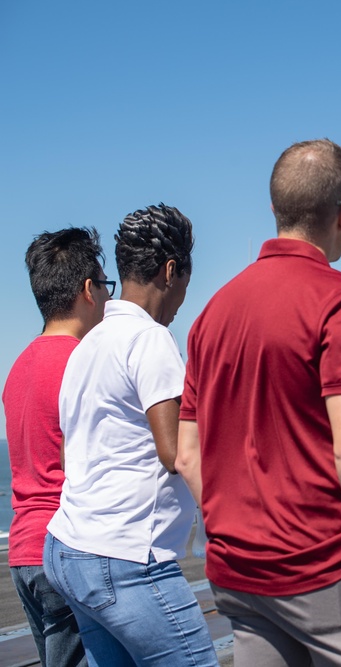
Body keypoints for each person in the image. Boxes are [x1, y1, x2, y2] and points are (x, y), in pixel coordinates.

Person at [177, 138, 341, 666]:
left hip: (239, 574)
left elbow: (188, 455)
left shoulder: (213, 313)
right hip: (325, 570)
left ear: (275, 210)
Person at [43, 205, 217, 666]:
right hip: (125, 558)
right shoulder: (150, 339)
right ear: (171, 270)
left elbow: (67, 454)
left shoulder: (88, 346)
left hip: (67, 548)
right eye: (184, 282)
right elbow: (175, 452)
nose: (182, 297)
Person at [4, 227, 110, 667]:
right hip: (67, 551)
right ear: (88, 289)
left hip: (23, 555)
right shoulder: (83, 363)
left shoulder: (18, 367)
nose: (108, 298)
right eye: (107, 286)